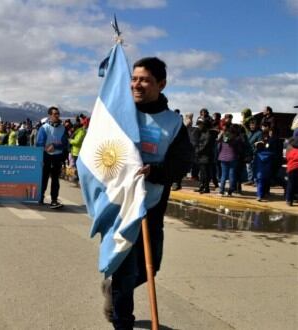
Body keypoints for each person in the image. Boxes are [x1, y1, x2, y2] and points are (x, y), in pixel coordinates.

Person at [102, 57, 193, 329]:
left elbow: (180, 164)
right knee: (125, 270)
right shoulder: (119, 112)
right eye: (133, 78)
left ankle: (114, 288)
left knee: (149, 268)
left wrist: (155, 171)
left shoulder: (173, 122)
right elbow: (98, 150)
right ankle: (122, 321)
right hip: (120, 205)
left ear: (161, 84)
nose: (136, 85)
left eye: (144, 80)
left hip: (152, 206)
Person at [36, 106, 69, 209]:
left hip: (57, 157)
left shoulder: (63, 128)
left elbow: (65, 143)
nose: (57, 115)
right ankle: (40, 197)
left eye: (58, 114)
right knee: (44, 178)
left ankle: (54, 200)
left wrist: (55, 146)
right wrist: (46, 148)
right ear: (50, 115)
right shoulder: (44, 128)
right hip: (46, 156)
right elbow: (39, 143)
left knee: (55, 179)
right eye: (55, 114)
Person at [194, 118, 215, 193]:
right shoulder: (203, 132)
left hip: (206, 156)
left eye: (200, 125)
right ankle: (201, 186)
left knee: (205, 173)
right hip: (202, 156)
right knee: (202, 173)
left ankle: (206, 188)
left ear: (204, 125)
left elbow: (205, 145)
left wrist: (197, 151)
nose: (199, 126)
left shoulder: (208, 133)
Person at [68, 118, 86, 187]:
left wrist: (70, 141)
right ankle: (75, 180)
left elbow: (77, 141)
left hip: (77, 152)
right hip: (75, 151)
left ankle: (77, 181)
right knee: (75, 166)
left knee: (76, 167)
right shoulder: (80, 131)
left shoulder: (81, 132)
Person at [285, 138, 298, 206]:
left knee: (290, 185)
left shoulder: (291, 151)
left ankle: (289, 200)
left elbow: (287, 158)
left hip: (291, 169)